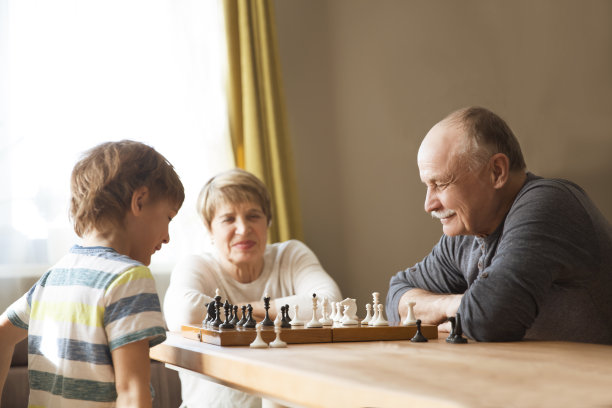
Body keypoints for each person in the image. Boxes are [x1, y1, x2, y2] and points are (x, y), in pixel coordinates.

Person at [386, 106, 612, 344]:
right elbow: (397, 295)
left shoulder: (549, 203)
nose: (429, 205)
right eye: (427, 186)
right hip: (534, 376)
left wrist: (454, 308)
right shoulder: (467, 232)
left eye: (441, 184)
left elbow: (491, 319)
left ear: (497, 171)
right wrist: (454, 305)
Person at [0, 140, 185, 406]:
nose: (167, 237)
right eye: (168, 217)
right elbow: (133, 392)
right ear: (140, 201)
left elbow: (2, 335)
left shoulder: (55, 277)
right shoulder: (129, 278)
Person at [164, 168, 342, 407]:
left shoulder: (290, 255)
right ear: (209, 228)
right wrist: (267, 315)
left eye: (253, 216)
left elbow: (329, 304)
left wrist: (248, 310)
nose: (243, 228)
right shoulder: (198, 265)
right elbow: (184, 313)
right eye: (228, 219)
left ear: (268, 220)